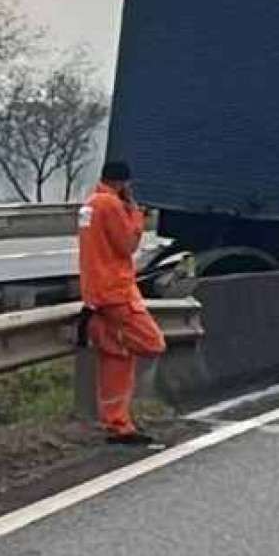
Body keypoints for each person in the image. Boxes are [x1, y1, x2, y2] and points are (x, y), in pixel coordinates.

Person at [79, 159, 166, 447]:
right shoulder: (111, 205)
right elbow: (127, 244)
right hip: (116, 291)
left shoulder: (90, 204)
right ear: (123, 183)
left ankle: (117, 422)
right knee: (152, 342)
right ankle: (117, 420)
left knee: (116, 357)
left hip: (95, 293)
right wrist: (136, 215)